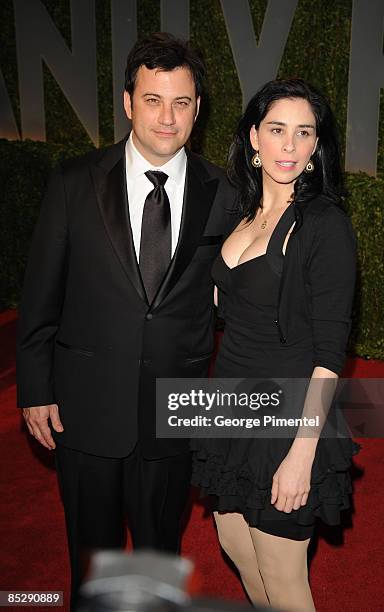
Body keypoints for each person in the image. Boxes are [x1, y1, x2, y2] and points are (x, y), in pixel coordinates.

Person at [16, 32, 235, 609]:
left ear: (197, 109)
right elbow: (40, 296)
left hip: (173, 411)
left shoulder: (225, 195)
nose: (168, 117)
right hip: (85, 410)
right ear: (127, 102)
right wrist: (35, 387)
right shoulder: (73, 183)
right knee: (92, 565)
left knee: (158, 564)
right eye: (154, 99)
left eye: (182, 102)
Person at [191, 78, 361, 611]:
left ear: (316, 147)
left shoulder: (324, 225)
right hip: (232, 408)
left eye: (304, 133)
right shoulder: (240, 213)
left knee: (284, 580)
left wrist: (302, 453)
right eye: (277, 130)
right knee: (236, 546)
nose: (289, 146)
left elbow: (331, 352)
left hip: (287, 418)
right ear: (254, 138)